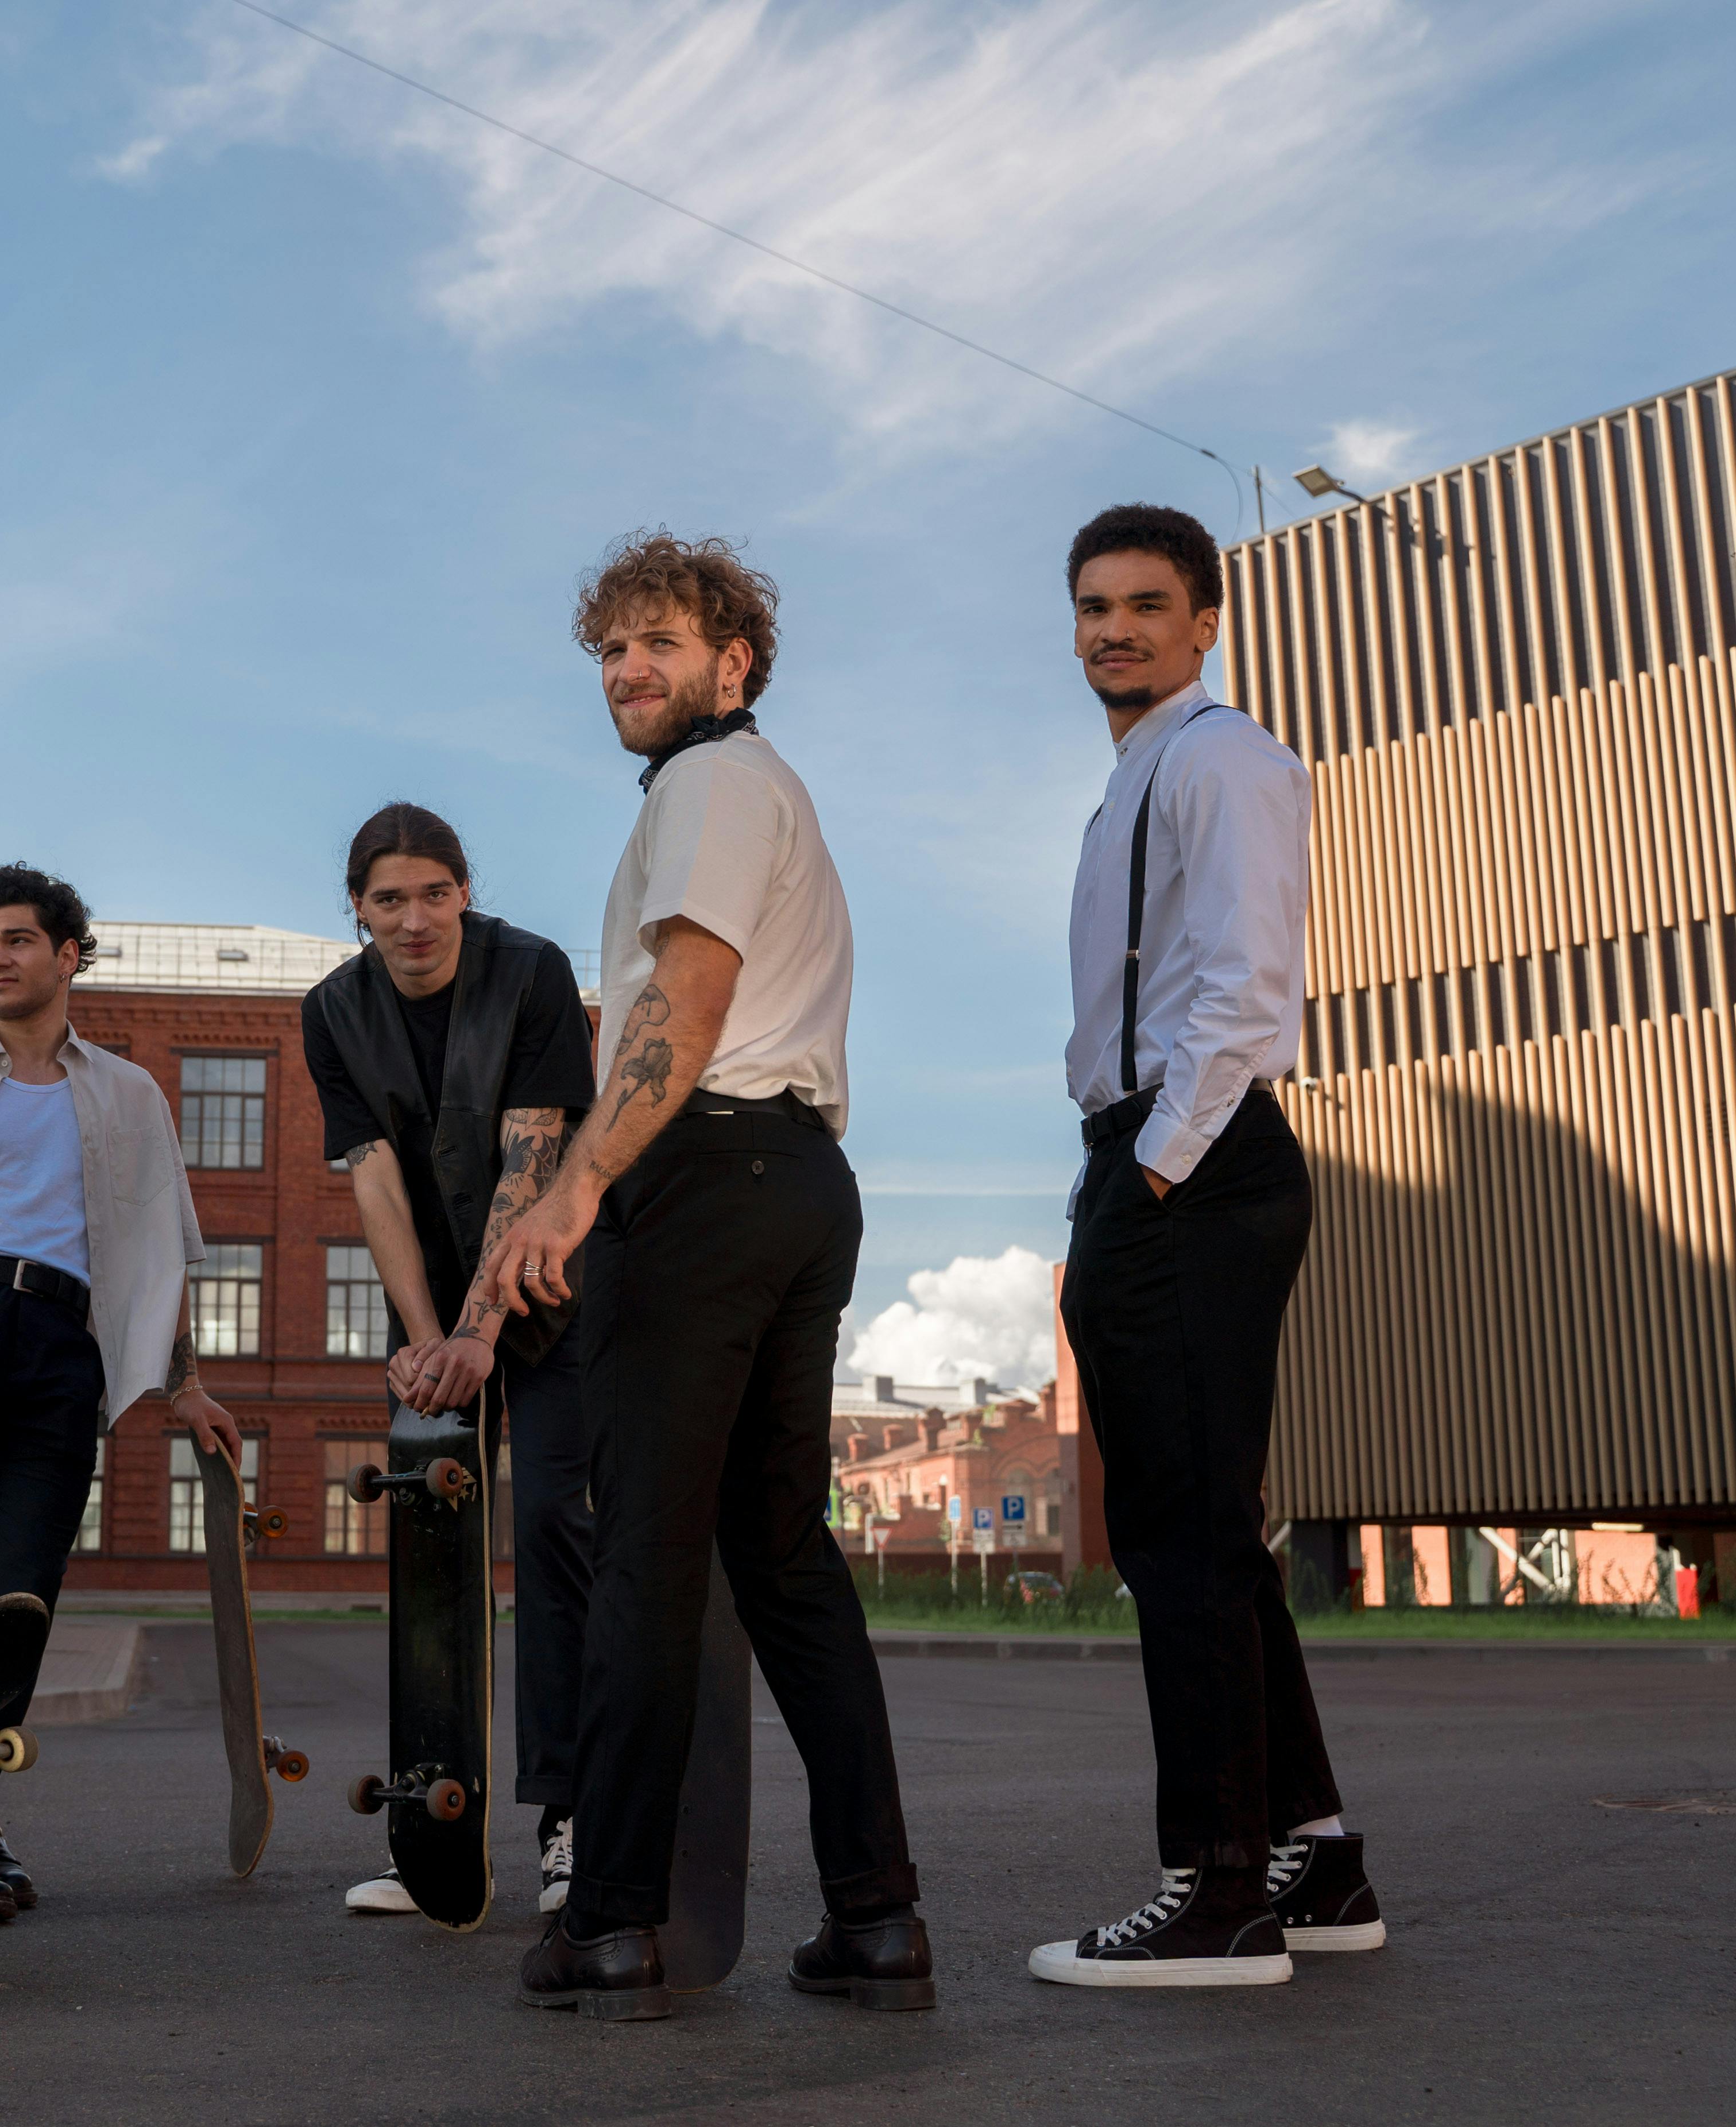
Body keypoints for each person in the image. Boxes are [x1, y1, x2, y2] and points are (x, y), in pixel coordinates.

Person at [498, 532, 931, 2021]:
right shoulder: (766, 793)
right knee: (782, 1559)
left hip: (703, 1182)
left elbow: (686, 999)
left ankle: (613, 1916)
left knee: (644, 1561)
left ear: (730, 662)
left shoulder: (708, 784)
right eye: (609, 650)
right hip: (798, 1182)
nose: (627, 671)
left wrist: (578, 1187)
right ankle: (874, 1917)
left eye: (657, 644)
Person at [1030, 503, 1382, 1990]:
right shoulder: (1135, 777)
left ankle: (1215, 1893)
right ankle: (1311, 1857)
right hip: (1155, 1157)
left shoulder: (1222, 757)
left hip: (1197, 1158)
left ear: (1205, 618)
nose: (1114, 628)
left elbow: (1243, 986)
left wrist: (1156, 1172)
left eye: (1146, 604)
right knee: (1206, 1534)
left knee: (1172, 1538)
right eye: (1093, 605)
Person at [0, 864, 236, 1919]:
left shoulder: (126, 1092)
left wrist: (186, 1383)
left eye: (16, 940)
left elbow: (162, 1253)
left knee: (16, 1598)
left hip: (58, 1346)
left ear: (69, 954)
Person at [298, 805, 599, 1918]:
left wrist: (482, 1330)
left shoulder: (532, 971)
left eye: (434, 892)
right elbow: (371, 1176)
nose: (414, 918)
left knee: (554, 1533)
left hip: (555, 1291)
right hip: (435, 1302)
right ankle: (436, 1820)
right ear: (360, 909)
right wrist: (426, 1338)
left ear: (463, 893)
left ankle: (572, 1822)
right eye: (389, 899)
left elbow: (533, 1156)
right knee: (429, 1543)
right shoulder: (331, 1008)